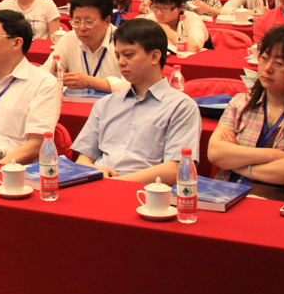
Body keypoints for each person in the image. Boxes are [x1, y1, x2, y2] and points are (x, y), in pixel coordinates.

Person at [207, 24, 284, 205]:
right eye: (264, 58)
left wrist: (240, 164)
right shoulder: (241, 103)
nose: (267, 68)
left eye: (279, 63)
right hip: (229, 195)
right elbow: (215, 153)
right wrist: (275, 155)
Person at [71, 19, 201, 184]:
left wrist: (115, 184)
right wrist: (94, 171)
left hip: (145, 192)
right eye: (118, 56)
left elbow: (175, 169)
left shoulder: (182, 107)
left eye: (129, 55)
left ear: (155, 56)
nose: (121, 62)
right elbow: (83, 159)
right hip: (99, 184)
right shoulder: (105, 104)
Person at [55, 0, 126, 92]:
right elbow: (46, 75)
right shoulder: (68, 40)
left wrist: (90, 82)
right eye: (77, 21)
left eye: (89, 22)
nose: (82, 28)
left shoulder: (124, 42)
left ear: (107, 21)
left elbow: (131, 86)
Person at [142, 0, 208, 52]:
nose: (159, 13)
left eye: (165, 8)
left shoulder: (192, 19)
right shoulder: (150, 19)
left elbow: (194, 47)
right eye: (155, 7)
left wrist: (167, 31)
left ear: (180, 7)